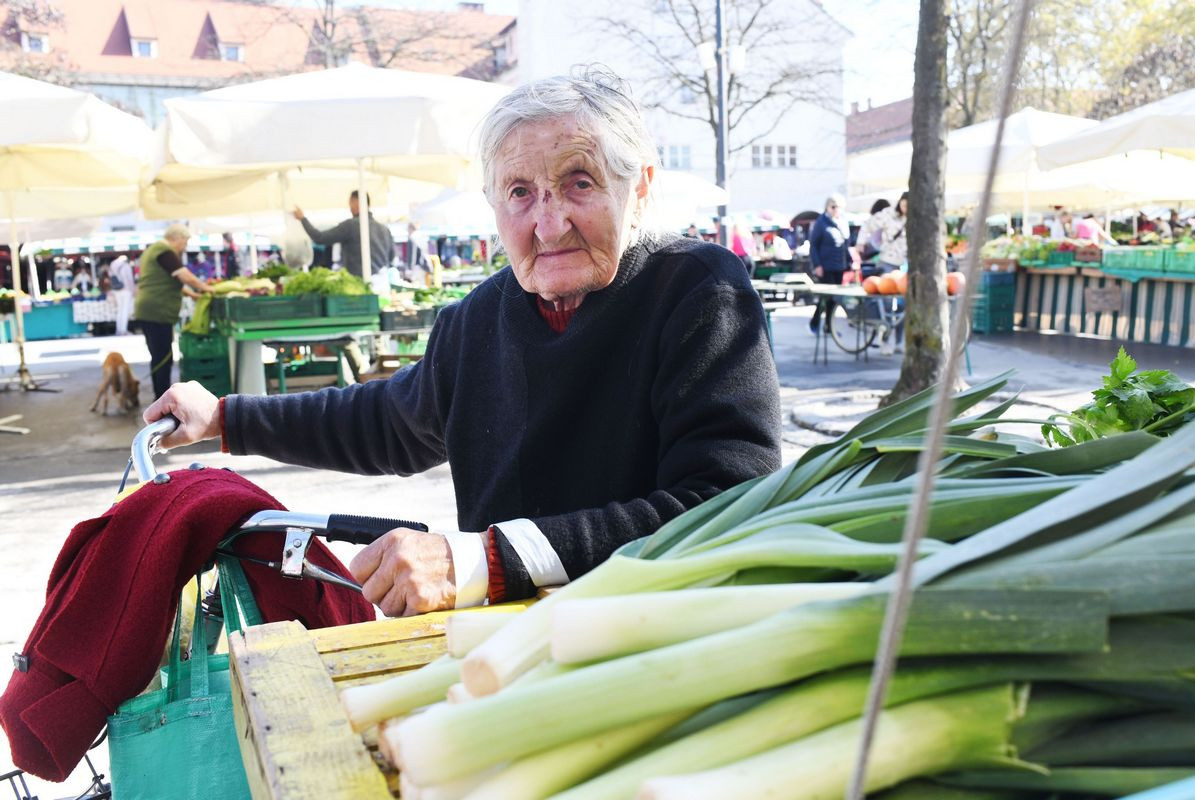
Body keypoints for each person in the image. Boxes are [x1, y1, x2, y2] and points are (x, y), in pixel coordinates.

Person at [143, 68, 782, 618]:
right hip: (510, 640)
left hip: (657, 637)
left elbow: (723, 501)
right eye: (521, 192)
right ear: (493, 203)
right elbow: (389, 422)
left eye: (580, 183)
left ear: (637, 188)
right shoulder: (478, 318)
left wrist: (482, 560)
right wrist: (225, 418)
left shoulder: (697, 291)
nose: (549, 223)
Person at [133, 224, 213, 400]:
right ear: (176, 238)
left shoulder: (152, 250)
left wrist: (191, 294)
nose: (184, 247)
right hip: (157, 310)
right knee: (162, 358)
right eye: (185, 242)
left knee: (159, 355)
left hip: (150, 309)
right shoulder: (164, 250)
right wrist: (207, 288)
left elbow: (165, 280)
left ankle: (160, 397)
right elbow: (184, 275)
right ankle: (162, 400)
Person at [293, 191, 396, 275]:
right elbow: (391, 257)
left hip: (358, 285)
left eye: (350, 202)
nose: (349, 206)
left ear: (355, 202)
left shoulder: (350, 226)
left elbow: (320, 238)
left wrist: (302, 219)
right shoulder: (384, 230)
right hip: (382, 285)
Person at [808, 193, 850, 333]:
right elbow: (813, 245)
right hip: (825, 266)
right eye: (833, 207)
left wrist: (850, 262)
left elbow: (846, 244)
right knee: (826, 296)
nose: (836, 210)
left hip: (840, 265)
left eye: (838, 207)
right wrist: (817, 265)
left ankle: (828, 325)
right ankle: (816, 322)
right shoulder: (821, 223)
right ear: (827, 207)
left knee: (833, 298)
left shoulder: (843, 222)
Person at [108, 254, 135, 336]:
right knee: (125, 310)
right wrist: (132, 290)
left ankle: (118, 330)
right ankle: (123, 330)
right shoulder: (126, 266)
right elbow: (129, 279)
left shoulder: (112, 265)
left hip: (116, 290)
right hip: (126, 290)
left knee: (120, 310)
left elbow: (110, 276)